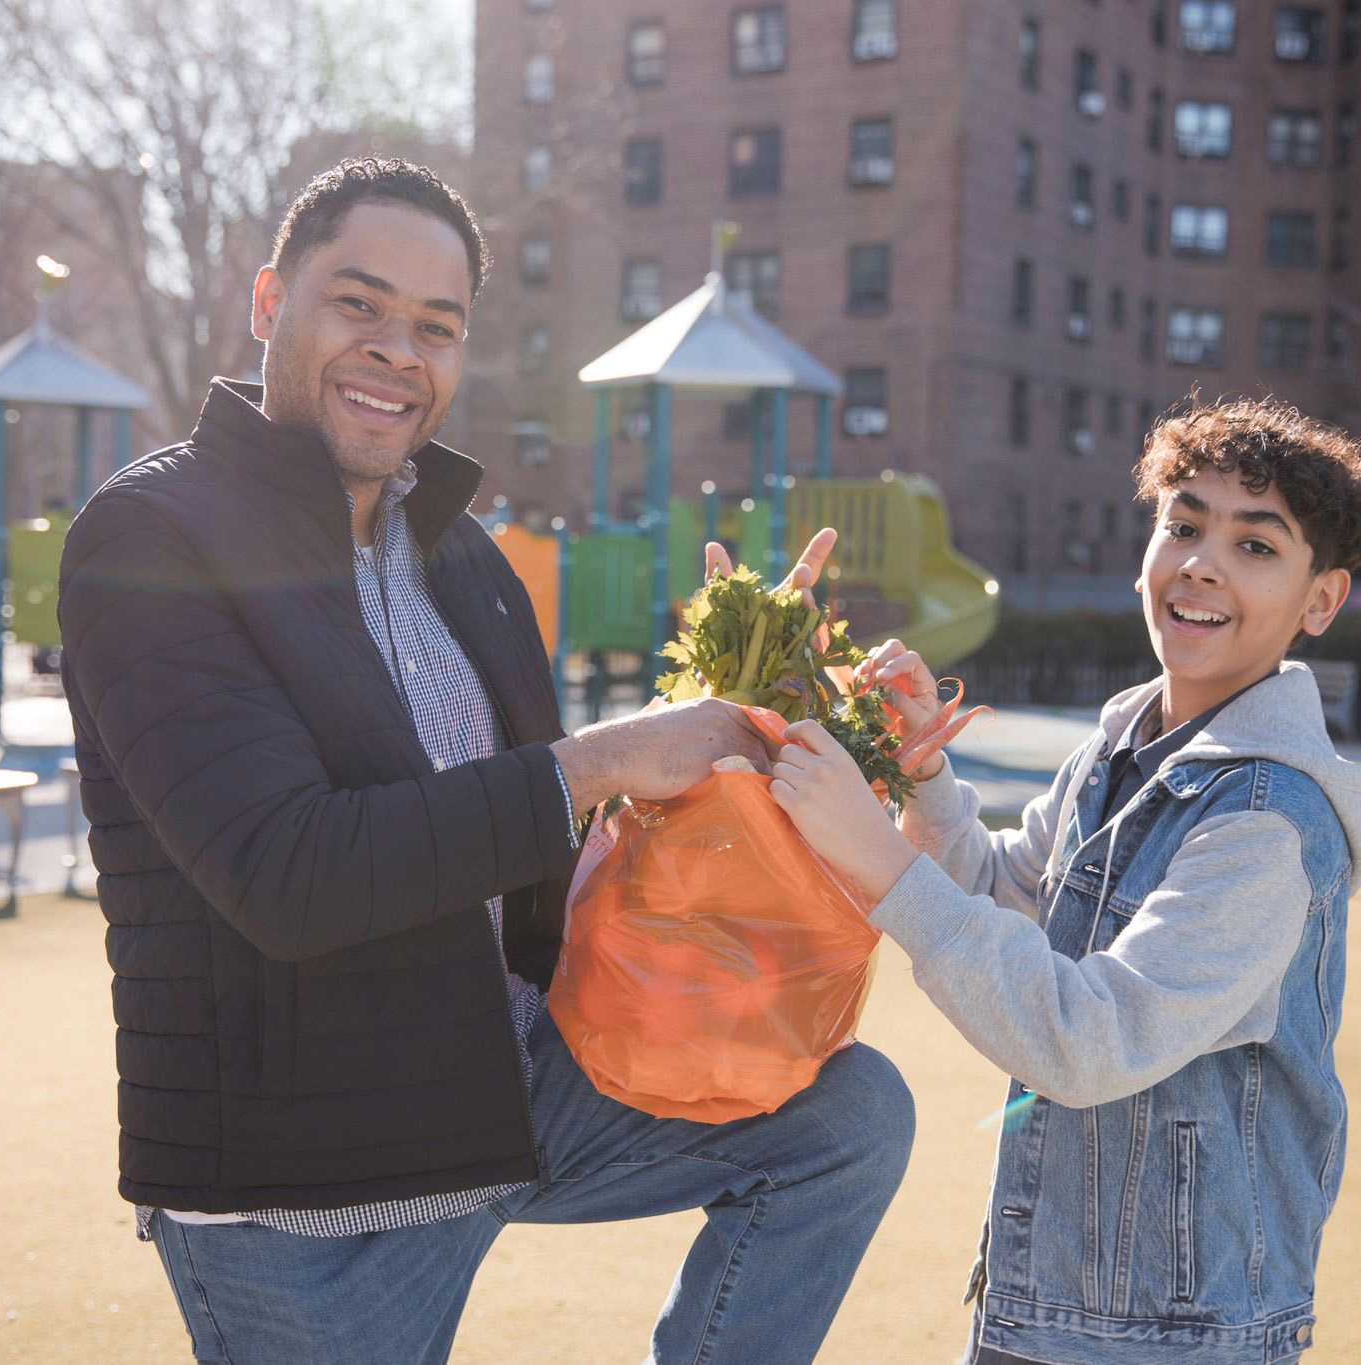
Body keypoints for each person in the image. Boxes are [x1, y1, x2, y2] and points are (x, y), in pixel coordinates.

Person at [57, 157, 912, 1365]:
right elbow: (282, 875)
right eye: (358, 305)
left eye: (433, 326)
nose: (395, 350)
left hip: (506, 1099)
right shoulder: (149, 537)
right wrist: (597, 759)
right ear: (267, 303)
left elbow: (545, 853)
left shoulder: (464, 561)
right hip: (298, 1185)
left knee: (846, 1116)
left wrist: (772, 724)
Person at [764, 397, 1361, 1363]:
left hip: (1178, 1335)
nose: (1201, 563)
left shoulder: (1271, 820)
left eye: (1256, 546)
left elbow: (1089, 1037)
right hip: (1045, 1300)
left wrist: (876, 855)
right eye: (1182, 525)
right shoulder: (1119, 744)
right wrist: (924, 774)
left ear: (1322, 600)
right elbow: (1003, 895)